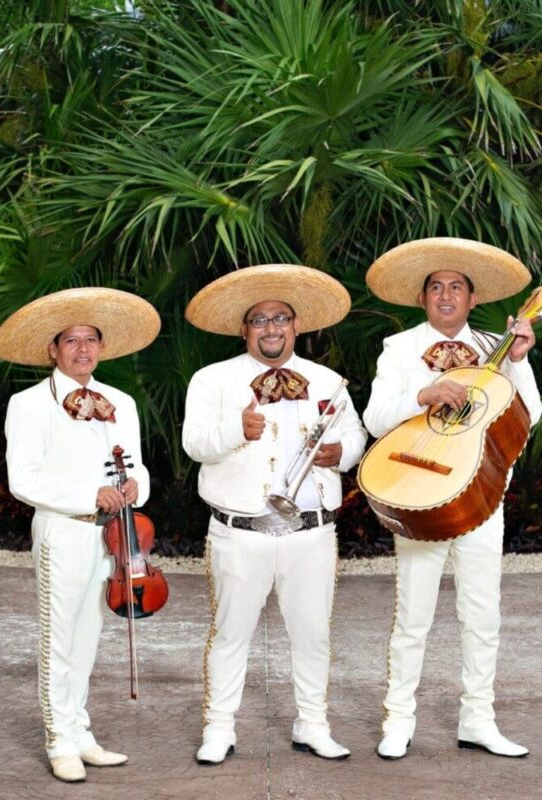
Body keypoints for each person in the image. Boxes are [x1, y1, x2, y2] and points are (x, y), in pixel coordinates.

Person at [361, 237, 540, 761]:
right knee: (413, 616)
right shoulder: (398, 349)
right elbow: (373, 420)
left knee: (482, 616)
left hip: (482, 496)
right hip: (419, 495)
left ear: (471, 298)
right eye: (435, 287)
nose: (445, 296)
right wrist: (423, 395)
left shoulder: (496, 347)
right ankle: (398, 721)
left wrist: (521, 362)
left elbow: (532, 416)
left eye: (456, 287)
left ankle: (479, 720)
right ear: (423, 299)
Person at [182, 264, 367, 765]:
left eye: (280, 318)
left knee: (313, 635)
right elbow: (194, 444)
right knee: (229, 634)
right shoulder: (212, 380)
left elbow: (355, 436)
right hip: (240, 533)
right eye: (259, 320)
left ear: (296, 326)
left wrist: (342, 453)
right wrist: (235, 429)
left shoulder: (328, 380)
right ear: (244, 329)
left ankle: (313, 723)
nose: (271, 328)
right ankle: (219, 728)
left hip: (312, 532)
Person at [0, 287, 161, 783]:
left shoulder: (121, 403)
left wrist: (134, 486)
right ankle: (58, 738)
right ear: (53, 349)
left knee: (89, 636)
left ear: (102, 348)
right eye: (71, 341)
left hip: (113, 537)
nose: (82, 349)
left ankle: (80, 730)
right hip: (63, 531)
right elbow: (24, 479)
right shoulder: (28, 404)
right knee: (59, 638)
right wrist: (91, 494)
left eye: (91, 340)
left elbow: (141, 469)